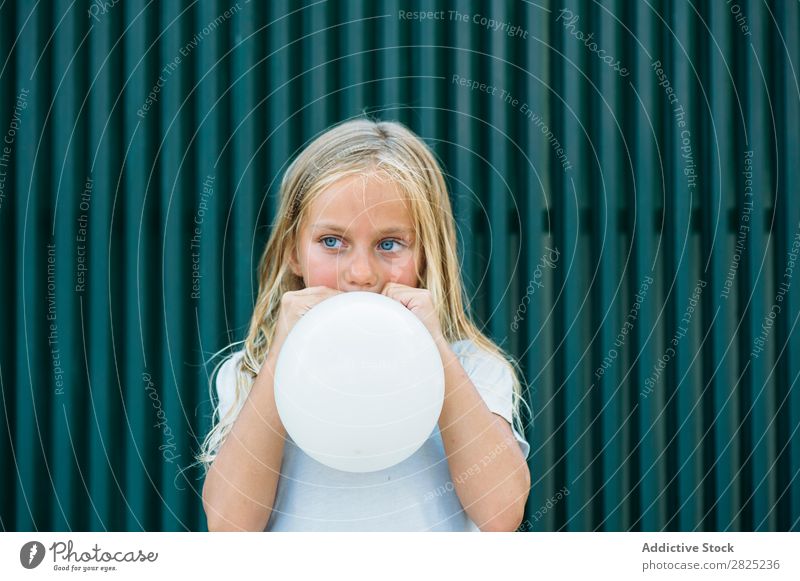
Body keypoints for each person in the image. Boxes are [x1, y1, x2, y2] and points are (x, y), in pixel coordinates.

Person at [198, 118, 531, 531]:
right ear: (293, 253)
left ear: (427, 255)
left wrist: (438, 354)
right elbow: (229, 527)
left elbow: (502, 514)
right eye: (331, 242)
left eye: (389, 245)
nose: (360, 273)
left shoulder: (474, 369)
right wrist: (279, 360)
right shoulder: (250, 372)